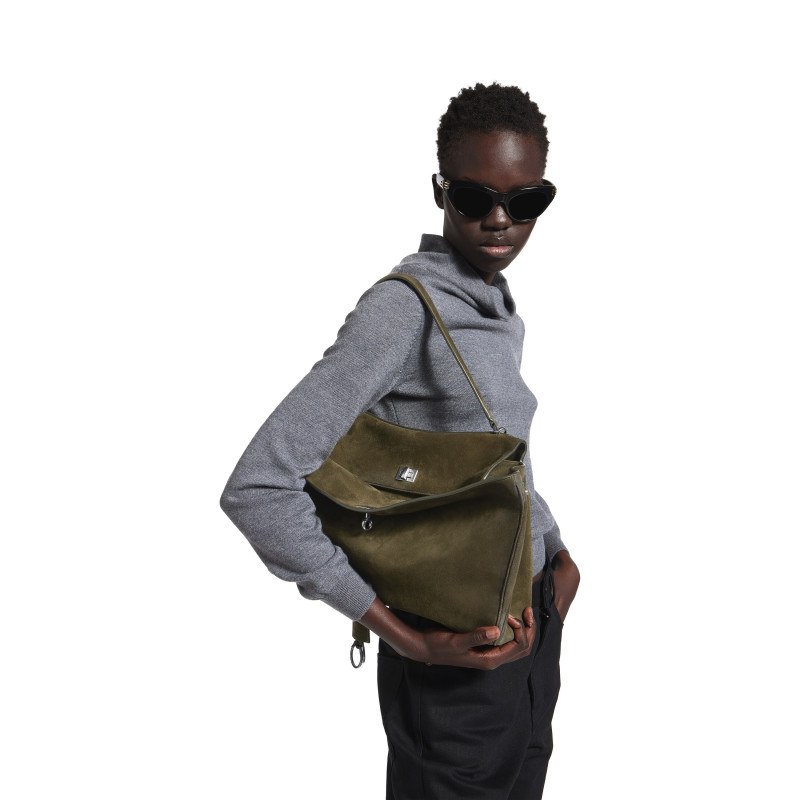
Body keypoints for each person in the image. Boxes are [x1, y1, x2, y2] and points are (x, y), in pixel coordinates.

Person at [220, 82, 580, 799]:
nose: (500, 220)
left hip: (528, 637)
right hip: (454, 666)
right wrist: (403, 636)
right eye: (474, 198)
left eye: (526, 201)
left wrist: (556, 557)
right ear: (440, 190)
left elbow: (491, 460)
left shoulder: (493, 304)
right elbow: (258, 488)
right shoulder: (404, 310)